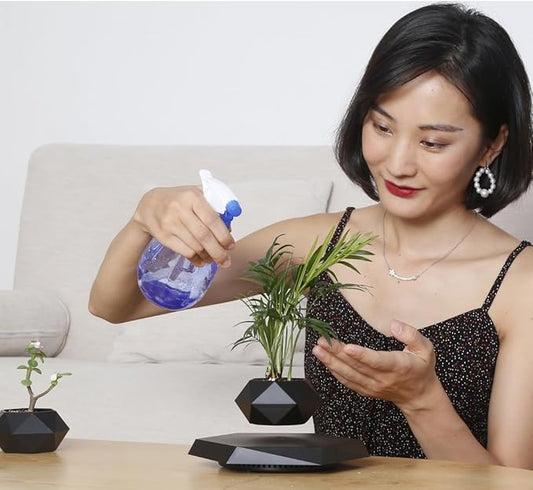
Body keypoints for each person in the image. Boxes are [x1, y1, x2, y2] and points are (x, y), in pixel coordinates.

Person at [89, 3, 533, 469]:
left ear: (492, 144)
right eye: (382, 127)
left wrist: (422, 401)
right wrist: (144, 218)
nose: (398, 164)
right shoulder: (318, 244)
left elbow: (512, 481)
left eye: (433, 142)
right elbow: (117, 306)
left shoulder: (519, 283)